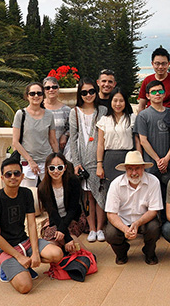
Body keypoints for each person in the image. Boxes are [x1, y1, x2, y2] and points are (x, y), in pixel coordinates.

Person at [0, 152, 63, 294]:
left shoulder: (26, 194)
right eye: (8, 174)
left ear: (22, 176)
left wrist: (34, 253)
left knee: (57, 254)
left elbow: (32, 224)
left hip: (24, 241)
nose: (13, 177)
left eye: (16, 173)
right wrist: (18, 256)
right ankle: (7, 268)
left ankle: (24, 266)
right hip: (5, 249)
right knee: (25, 287)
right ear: (2, 178)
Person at [104, 151, 164, 265]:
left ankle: (149, 253)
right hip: (122, 221)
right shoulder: (116, 184)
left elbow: (153, 210)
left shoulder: (153, 181)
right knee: (110, 233)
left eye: (137, 168)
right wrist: (124, 229)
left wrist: (137, 223)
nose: (134, 172)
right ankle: (121, 253)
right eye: (130, 169)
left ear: (143, 168)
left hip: (144, 220)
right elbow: (111, 214)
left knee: (154, 228)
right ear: (126, 169)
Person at [69, 77, 108, 243]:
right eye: (84, 92)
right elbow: (73, 138)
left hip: (98, 160)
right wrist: (76, 163)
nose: (88, 95)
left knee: (100, 193)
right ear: (80, 94)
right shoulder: (75, 112)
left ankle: (100, 228)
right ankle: (91, 228)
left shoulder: (102, 111)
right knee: (88, 197)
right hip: (83, 161)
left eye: (91, 91)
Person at [136, 80, 170, 220]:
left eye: (160, 91)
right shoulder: (143, 115)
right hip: (151, 165)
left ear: (164, 94)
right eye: (154, 92)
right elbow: (143, 140)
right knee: (152, 199)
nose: (157, 94)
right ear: (148, 96)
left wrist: (166, 158)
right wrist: (157, 160)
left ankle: (169, 225)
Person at [96, 87, 139, 199]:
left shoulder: (132, 118)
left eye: (121, 100)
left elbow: (137, 141)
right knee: (112, 193)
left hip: (128, 158)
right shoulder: (104, 120)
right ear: (110, 102)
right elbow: (100, 144)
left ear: (126, 102)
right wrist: (99, 164)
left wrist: (140, 161)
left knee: (130, 192)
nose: (118, 104)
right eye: (115, 100)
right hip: (110, 159)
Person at [12, 82, 58, 187]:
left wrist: (57, 160)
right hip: (27, 164)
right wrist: (30, 161)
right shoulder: (21, 114)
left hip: (47, 162)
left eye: (39, 93)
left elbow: (53, 141)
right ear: (27, 96)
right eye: (32, 93)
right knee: (30, 195)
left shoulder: (49, 115)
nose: (36, 96)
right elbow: (15, 142)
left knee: (48, 196)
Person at [38, 152, 83, 254]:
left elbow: (73, 209)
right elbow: (52, 212)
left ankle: (86, 256)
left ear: (65, 167)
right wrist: (66, 237)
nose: (56, 171)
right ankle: (64, 253)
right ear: (47, 169)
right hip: (55, 219)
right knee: (51, 238)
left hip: (73, 217)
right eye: (52, 168)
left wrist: (64, 234)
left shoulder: (73, 181)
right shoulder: (43, 188)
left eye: (60, 167)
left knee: (65, 235)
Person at [138, 46, 170, 111]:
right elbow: (141, 105)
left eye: (164, 64)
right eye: (157, 64)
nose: (160, 67)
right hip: (150, 117)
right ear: (152, 64)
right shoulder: (147, 80)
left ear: (168, 64)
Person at [43, 76, 71, 157]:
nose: (51, 90)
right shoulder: (39, 108)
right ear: (44, 90)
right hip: (42, 151)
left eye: (54, 87)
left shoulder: (66, 110)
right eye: (48, 88)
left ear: (58, 89)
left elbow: (71, 127)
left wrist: (65, 135)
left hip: (61, 151)